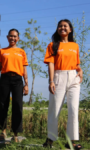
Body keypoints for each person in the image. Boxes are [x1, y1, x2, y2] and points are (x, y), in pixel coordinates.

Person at [43, 19, 83, 149]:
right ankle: (50, 139)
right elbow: (51, 63)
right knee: (54, 109)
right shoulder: (52, 45)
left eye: (65, 26)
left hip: (73, 78)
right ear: (57, 29)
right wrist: (51, 80)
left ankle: (71, 141)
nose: (62, 28)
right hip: (58, 76)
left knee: (73, 109)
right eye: (60, 26)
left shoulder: (75, 46)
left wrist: (80, 70)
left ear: (70, 29)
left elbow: (76, 64)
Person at [0, 29, 29, 142]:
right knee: (3, 105)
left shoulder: (21, 52)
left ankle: (15, 134)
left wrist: (26, 84)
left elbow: (24, 69)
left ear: (18, 38)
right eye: (10, 36)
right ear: (7, 37)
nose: (12, 38)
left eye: (15, 36)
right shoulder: (2, 51)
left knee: (17, 105)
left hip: (17, 80)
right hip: (5, 79)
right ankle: (3, 131)